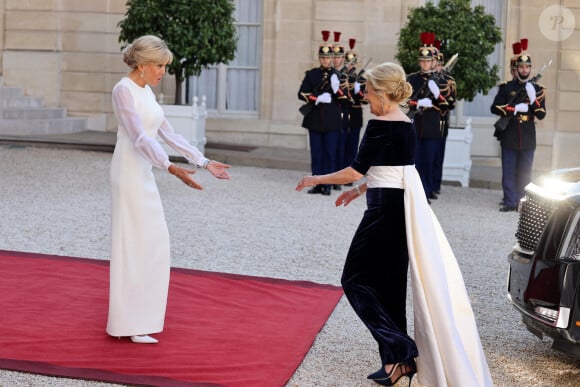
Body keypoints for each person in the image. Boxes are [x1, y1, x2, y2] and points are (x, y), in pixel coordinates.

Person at [296, 62, 493, 386]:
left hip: (384, 212)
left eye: (369, 90)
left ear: (384, 93)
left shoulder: (378, 124)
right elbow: (392, 169)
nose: (365, 95)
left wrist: (314, 178)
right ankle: (395, 366)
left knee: (354, 279)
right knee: (389, 288)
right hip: (399, 208)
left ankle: (401, 348)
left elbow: (355, 170)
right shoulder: (406, 123)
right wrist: (360, 191)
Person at [107, 35, 231, 344]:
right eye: (160, 66)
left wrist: (203, 161)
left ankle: (137, 320)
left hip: (144, 171)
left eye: (165, 66)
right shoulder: (123, 90)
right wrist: (171, 168)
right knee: (134, 245)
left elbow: (168, 133)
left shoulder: (146, 91)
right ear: (143, 64)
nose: (164, 71)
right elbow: (139, 138)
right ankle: (128, 323)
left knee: (153, 243)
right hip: (128, 171)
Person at [490, 38, 546, 212]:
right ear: (516, 69)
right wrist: (513, 108)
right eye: (521, 67)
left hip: (528, 133)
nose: (524, 70)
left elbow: (541, 114)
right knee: (508, 169)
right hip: (510, 132)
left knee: (525, 171)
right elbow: (495, 107)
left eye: (527, 67)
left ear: (530, 68)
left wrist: (533, 100)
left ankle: (522, 202)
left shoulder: (537, 89)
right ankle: (509, 201)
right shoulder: (507, 88)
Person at [298, 30, 347, 196]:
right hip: (314, 120)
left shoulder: (339, 76)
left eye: (328, 58)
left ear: (332, 58)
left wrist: (337, 89)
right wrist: (316, 98)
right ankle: (316, 183)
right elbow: (301, 93)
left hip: (332, 120)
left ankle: (327, 185)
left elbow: (346, 98)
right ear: (319, 58)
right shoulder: (312, 74)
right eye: (323, 57)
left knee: (330, 154)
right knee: (317, 154)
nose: (325, 60)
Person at [406, 32, 449, 202]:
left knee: (428, 161)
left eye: (428, 61)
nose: (425, 64)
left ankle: (425, 192)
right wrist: (417, 103)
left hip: (432, 126)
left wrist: (437, 96)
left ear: (433, 62)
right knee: (414, 162)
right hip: (415, 124)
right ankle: (413, 193)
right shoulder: (412, 78)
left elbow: (446, 105)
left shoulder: (441, 81)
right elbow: (403, 101)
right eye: (422, 61)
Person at [431, 41, 457, 196]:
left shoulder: (448, 81)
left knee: (438, 155)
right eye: (437, 64)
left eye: (440, 65)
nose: (439, 67)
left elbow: (451, 102)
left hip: (442, 121)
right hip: (428, 122)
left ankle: (435, 185)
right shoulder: (430, 79)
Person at [342, 38, 368, 181]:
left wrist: (358, 91)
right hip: (343, 113)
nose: (349, 66)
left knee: (352, 146)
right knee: (341, 144)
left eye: (351, 63)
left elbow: (365, 100)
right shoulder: (341, 76)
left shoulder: (361, 79)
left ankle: (349, 176)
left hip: (355, 113)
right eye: (347, 63)